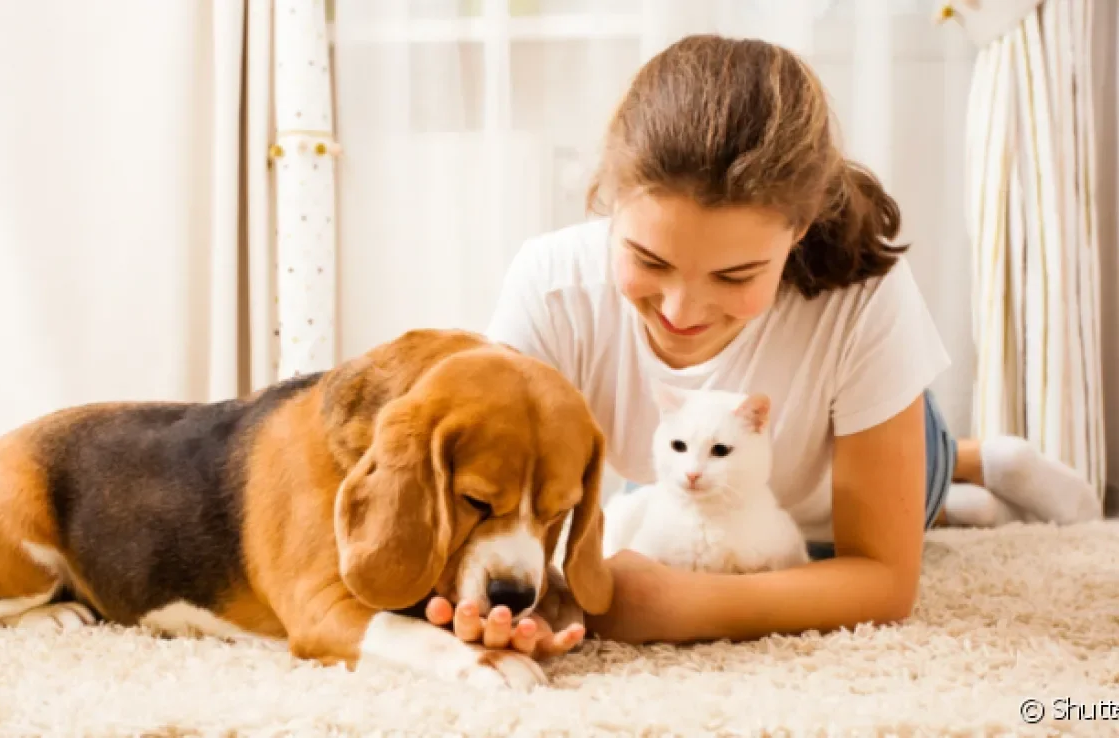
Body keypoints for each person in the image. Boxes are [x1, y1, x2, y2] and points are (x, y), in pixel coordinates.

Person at [422, 34, 1101, 656]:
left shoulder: (867, 295)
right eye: (650, 262)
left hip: (847, 470)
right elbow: (486, 501)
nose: (682, 312)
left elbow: (885, 581)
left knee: (914, 483)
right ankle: (968, 503)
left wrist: (682, 606)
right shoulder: (549, 287)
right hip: (698, 475)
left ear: (799, 229)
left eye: (735, 275)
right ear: (607, 200)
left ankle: (972, 463)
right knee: (667, 474)